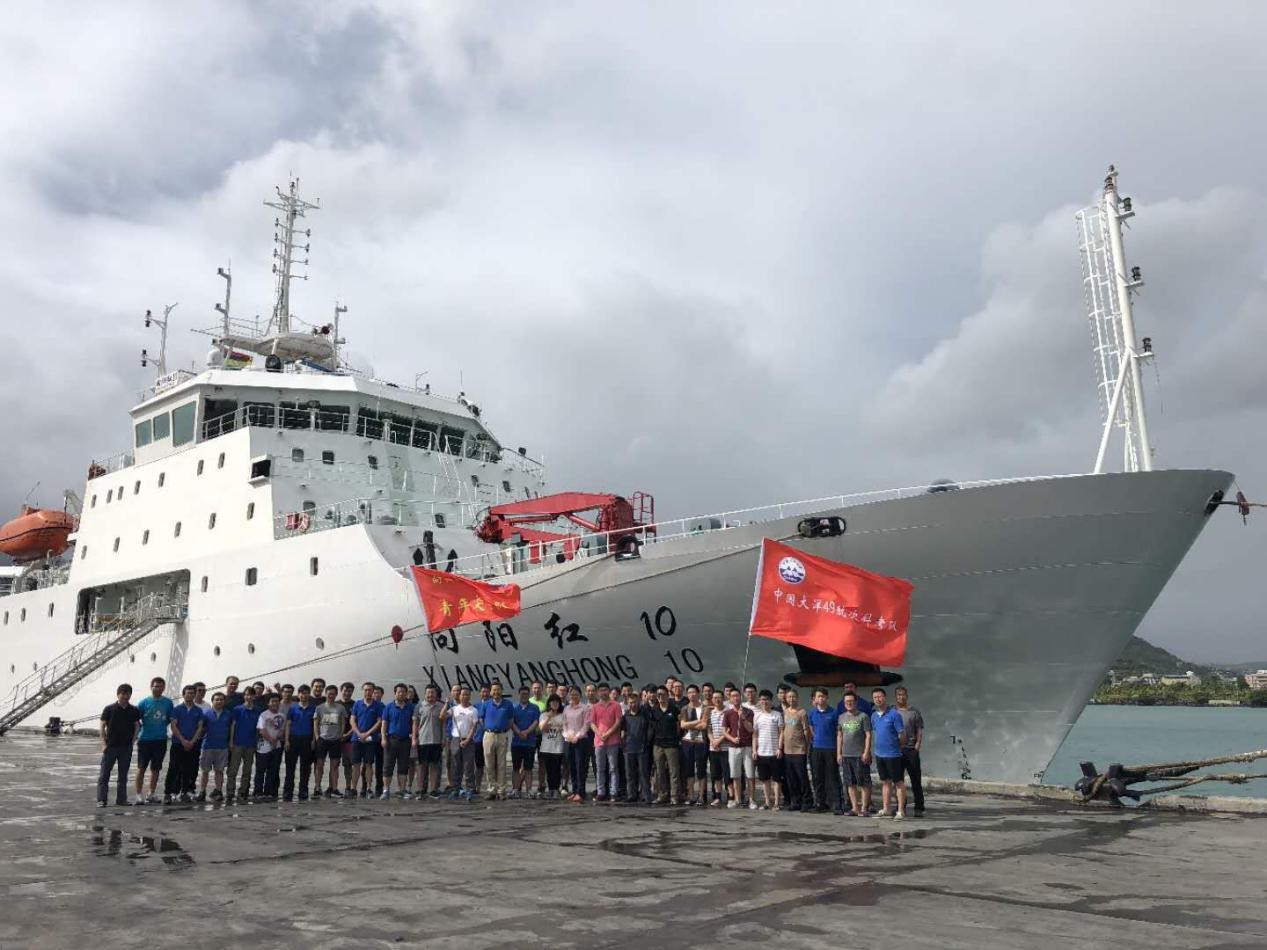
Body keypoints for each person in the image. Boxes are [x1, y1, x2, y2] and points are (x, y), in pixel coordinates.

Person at [97, 684, 141, 807]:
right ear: (118, 694)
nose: (125, 696)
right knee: (104, 775)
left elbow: (137, 726)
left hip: (126, 748)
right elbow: (102, 726)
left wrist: (132, 742)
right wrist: (103, 743)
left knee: (123, 776)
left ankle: (121, 800)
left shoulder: (134, 710)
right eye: (123, 694)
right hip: (110, 747)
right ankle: (101, 800)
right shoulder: (109, 709)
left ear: (130, 695)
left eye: (127, 694)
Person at [134, 677, 173, 804]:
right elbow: (136, 720)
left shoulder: (168, 703)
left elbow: (169, 719)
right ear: (151, 687)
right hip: (145, 740)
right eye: (155, 686)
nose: (158, 688)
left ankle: (151, 793)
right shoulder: (143, 703)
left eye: (160, 686)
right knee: (141, 768)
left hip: (160, 740)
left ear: (164, 688)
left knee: (156, 769)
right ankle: (138, 794)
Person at [870, 688, 907, 819]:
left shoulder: (894, 715)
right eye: (875, 697)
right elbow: (876, 732)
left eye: (880, 697)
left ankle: (900, 811)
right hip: (879, 754)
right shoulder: (874, 716)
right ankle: (886, 808)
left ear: (885, 697)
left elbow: (902, 734)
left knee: (898, 782)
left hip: (893, 754)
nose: (878, 699)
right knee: (885, 782)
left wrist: (898, 746)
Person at [165, 684, 205, 803]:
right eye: (188, 693)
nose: (190, 695)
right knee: (173, 768)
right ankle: (168, 793)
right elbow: (173, 726)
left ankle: (184, 792)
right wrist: (183, 740)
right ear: (183, 695)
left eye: (193, 693)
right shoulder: (177, 709)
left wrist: (192, 742)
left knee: (188, 769)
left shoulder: (198, 710)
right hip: (178, 744)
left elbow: (200, 727)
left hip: (192, 745)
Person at [807, 688, 844, 815]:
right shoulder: (812, 713)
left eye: (823, 696)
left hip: (831, 748)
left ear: (827, 698)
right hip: (817, 748)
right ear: (815, 699)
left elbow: (838, 732)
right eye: (818, 696)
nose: (821, 698)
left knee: (832, 777)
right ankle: (820, 804)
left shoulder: (834, 712)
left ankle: (836, 805)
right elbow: (811, 730)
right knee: (817, 777)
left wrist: (838, 751)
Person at [837, 691, 873, 817]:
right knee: (850, 783)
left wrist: (866, 752)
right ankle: (854, 808)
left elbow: (868, 735)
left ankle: (864, 808)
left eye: (851, 701)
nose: (849, 703)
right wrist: (839, 753)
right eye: (847, 701)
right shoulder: (841, 717)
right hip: (846, 755)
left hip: (860, 755)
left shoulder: (863, 716)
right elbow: (839, 736)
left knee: (863, 783)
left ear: (856, 702)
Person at [646, 685, 682, 806]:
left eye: (662, 694)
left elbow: (679, 726)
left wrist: (676, 738)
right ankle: (662, 795)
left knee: (674, 771)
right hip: (658, 745)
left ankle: (674, 796)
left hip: (672, 744)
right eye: (658, 694)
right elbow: (652, 726)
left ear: (667, 695)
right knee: (659, 771)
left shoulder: (674, 709)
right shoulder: (654, 710)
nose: (660, 696)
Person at [478, 682, 514, 800]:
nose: (496, 692)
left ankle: (501, 790)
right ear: (491, 692)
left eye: (498, 689)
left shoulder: (508, 704)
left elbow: (511, 720)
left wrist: (504, 730)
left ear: (501, 691)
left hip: (502, 735)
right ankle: (491, 790)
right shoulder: (486, 704)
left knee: (501, 764)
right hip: (489, 735)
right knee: (489, 764)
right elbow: (481, 718)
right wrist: (486, 728)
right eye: (494, 690)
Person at [443, 686, 480, 800]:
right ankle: (456, 789)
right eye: (463, 694)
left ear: (470, 696)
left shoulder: (473, 710)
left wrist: (467, 740)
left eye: (467, 694)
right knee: (455, 766)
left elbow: (474, 727)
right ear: (459, 696)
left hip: (468, 740)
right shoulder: (454, 709)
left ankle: (469, 789)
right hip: (455, 739)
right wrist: (446, 704)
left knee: (468, 766)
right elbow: (442, 716)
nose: (465, 696)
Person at [283, 684, 318, 801]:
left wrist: (313, 740)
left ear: (309, 694)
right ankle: (288, 791)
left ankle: (303, 791)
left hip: (307, 740)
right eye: (302, 693)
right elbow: (288, 724)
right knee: (290, 767)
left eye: (306, 693)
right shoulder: (292, 708)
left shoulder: (313, 709)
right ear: (298, 695)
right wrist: (287, 740)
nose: (304, 695)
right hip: (293, 739)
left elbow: (315, 726)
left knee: (305, 768)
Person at [589, 683, 623, 804]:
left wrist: (608, 733)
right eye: (601, 690)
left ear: (609, 691)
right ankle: (601, 792)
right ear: (598, 692)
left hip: (613, 741)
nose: (603, 692)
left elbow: (618, 721)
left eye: (605, 690)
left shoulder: (616, 705)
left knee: (613, 768)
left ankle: (613, 792)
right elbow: (592, 723)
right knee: (600, 768)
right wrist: (599, 734)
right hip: (599, 741)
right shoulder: (595, 707)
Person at [380, 683, 416, 799]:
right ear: (395, 693)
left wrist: (413, 738)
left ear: (406, 694)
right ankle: (386, 790)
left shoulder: (410, 707)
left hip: (405, 741)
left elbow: (414, 723)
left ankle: (402, 790)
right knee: (388, 766)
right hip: (391, 740)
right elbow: (384, 724)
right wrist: (383, 738)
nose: (401, 694)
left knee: (403, 766)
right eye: (399, 692)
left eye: (403, 692)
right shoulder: (388, 707)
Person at [349, 682, 384, 798]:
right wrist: (359, 733)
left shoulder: (378, 706)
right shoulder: (357, 704)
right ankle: (353, 788)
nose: (368, 692)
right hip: (356, 738)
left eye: (370, 690)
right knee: (356, 764)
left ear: (373, 691)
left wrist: (367, 733)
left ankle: (369, 788)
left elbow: (379, 721)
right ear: (363, 691)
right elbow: (352, 720)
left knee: (369, 764)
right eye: (366, 690)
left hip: (371, 739)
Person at [196, 691, 232, 802]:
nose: (219, 701)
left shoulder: (228, 714)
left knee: (219, 771)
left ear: (224, 701)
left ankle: (218, 791)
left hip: (222, 747)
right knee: (205, 771)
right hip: (207, 746)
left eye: (221, 699)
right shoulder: (206, 713)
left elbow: (231, 729)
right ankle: (202, 792)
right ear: (212, 701)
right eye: (217, 699)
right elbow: (200, 729)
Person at [227, 686, 262, 802]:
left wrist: (257, 741)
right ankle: (230, 792)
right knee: (233, 770)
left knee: (247, 771)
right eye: (246, 694)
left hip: (251, 744)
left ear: (254, 696)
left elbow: (259, 728)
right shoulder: (237, 709)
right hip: (237, 743)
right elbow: (233, 725)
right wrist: (231, 741)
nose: (248, 697)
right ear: (244, 696)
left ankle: (243, 792)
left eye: (251, 695)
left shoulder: (258, 710)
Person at [895, 686, 925, 815]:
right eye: (898, 695)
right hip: (897, 750)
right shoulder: (893, 712)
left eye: (903, 694)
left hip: (911, 749)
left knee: (915, 779)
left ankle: (919, 807)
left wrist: (918, 744)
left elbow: (919, 729)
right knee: (898, 781)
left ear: (907, 696)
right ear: (896, 697)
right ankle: (900, 806)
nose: (901, 697)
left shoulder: (914, 712)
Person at [313, 684, 348, 798]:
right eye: (329, 694)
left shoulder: (340, 708)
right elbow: (316, 723)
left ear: (336, 694)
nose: (331, 696)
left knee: (335, 765)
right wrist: (317, 736)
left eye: (333, 694)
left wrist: (341, 735)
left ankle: (334, 788)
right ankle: (317, 788)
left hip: (335, 740)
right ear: (326, 694)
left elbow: (343, 722)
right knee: (319, 765)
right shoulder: (319, 708)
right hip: (322, 739)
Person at [722, 691, 755, 809]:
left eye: (737, 696)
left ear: (741, 697)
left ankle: (751, 800)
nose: (735, 698)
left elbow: (751, 729)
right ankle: (737, 799)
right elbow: (724, 732)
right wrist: (732, 739)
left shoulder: (748, 712)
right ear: (730, 699)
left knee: (750, 774)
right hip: (733, 747)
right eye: (733, 696)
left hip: (747, 746)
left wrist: (743, 718)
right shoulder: (727, 713)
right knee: (735, 775)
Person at [780, 688, 812, 811]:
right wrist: (780, 746)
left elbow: (806, 731)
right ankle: (795, 801)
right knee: (791, 778)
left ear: (797, 698)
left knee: (802, 777)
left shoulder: (802, 712)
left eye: (793, 697)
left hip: (799, 750)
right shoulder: (785, 712)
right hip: (787, 751)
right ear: (786, 699)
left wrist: (807, 745)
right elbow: (783, 730)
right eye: (789, 697)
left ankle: (807, 801)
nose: (791, 699)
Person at [751, 689, 783, 810]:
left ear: (771, 701)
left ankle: (777, 803)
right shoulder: (757, 715)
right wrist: (754, 750)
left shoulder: (777, 715)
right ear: (760, 701)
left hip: (774, 752)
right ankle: (767, 802)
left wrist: (779, 748)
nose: (764, 702)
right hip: (761, 753)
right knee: (765, 779)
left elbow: (781, 733)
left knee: (777, 779)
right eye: (762, 700)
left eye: (766, 699)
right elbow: (755, 735)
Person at [413, 684, 446, 799]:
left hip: (436, 740)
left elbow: (443, 724)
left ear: (436, 694)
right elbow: (415, 723)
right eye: (428, 692)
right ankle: (420, 789)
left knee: (434, 766)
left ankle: (433, 790)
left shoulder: (441, 706)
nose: (430, 695)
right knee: (421, 766)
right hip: (423, 740)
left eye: (433, 692)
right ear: (425, 694)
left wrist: (443, 738)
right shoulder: (419, 706)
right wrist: (414, 738)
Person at [679, 684, 709, 806]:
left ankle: (701, 796)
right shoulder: (684, 708)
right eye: (689, 692)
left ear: (698, 693)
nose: (692, 694)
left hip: (701, 742)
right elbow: (683, 725)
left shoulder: (705, 708)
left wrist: (690, 724)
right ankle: (691, 795)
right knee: (689, 770)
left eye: (694, 692)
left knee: (701, 769)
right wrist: (698, 721)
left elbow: (704, 725)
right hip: (687, 742)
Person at [562, 686, 592, 803]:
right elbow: (564, 724)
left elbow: (586, 725)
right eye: (572, 694)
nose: (573, 696)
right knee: (572, 766)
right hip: (569, 740)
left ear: (580, 695)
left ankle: (581, 792)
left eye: (576, 694)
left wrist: (577, 736)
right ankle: (574, 791)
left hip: (581, 741)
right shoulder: (566, 708)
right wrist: (567, 735)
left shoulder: (585, 708)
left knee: (580, 767)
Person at [621, 691, 652, 804]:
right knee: (630, 773)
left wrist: (647, 741)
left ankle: (646, 795)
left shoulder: (644, 714)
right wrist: (623, 743)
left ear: (638, 702)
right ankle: (631, 795)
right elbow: (622, 731)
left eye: (634, 702)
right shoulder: (625, 716)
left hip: (642, 747)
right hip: (628, 747)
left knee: (643, 773)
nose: (632, 705)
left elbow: (649, 729)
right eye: (630, 703)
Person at [510, 686, 541, 799]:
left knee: (528, 768)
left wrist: (526, 732)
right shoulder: (513, 707)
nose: (524, 696)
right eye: (522, 694)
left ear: (529, 695)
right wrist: (519, 732)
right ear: (519, 695)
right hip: (516, 742)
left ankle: (529, 790)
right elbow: (511, 722)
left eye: (526, 694)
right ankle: (515, 790)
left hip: (530, 742)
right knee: (515, 768)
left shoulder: (534, 707)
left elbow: (536, 722)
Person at [253, 693, 286, 800]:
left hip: (277, 747)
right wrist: (271, 740)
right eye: (273, 701)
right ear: (268, 703)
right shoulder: (263, 715)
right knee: (260, 771)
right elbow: (261, 730)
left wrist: (276, 739)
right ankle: (258, 792)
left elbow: (282, 730)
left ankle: (268, 792)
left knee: (273, 770)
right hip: (263, 747)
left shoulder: (282, 716)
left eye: (277, 701)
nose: (275, 703)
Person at [537, 694, 567, 799]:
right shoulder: (544, 715)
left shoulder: (562, 715)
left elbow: (564, 728)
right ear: (549, 703)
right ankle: (550, 789)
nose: (555, 704)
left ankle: (556, 789)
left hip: (558, 746)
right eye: (552, 702)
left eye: (557, 702)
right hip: (546, 746)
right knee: (549, 769)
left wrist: (554, 726)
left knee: (557, 769)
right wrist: (549, 717)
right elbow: (542, 728)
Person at [706, 691, 729, 806]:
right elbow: (709, 729)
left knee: (727, 775)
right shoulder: (711, 713)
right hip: (713, 748)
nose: (717, 700)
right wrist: (713, 742)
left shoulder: (728, 712)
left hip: (726, 748)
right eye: (715, 698)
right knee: (716, 775)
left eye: (719, 697)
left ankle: (731, 797)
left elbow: (729, 729)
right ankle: (718, 798)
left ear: (723, 698)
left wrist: (719, 741)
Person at [337, 681, 357, 797]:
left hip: (349, 739)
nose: (347, 693)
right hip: (335, 739)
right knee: (334, 764)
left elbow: (356, 723)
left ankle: (348, 787)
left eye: (350, 691)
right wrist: (338, 735)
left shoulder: (355, 705)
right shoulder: (336, 704)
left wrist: (347, 735)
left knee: (348, 764)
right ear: (341, 690)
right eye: (345, 690)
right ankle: (332, 787)